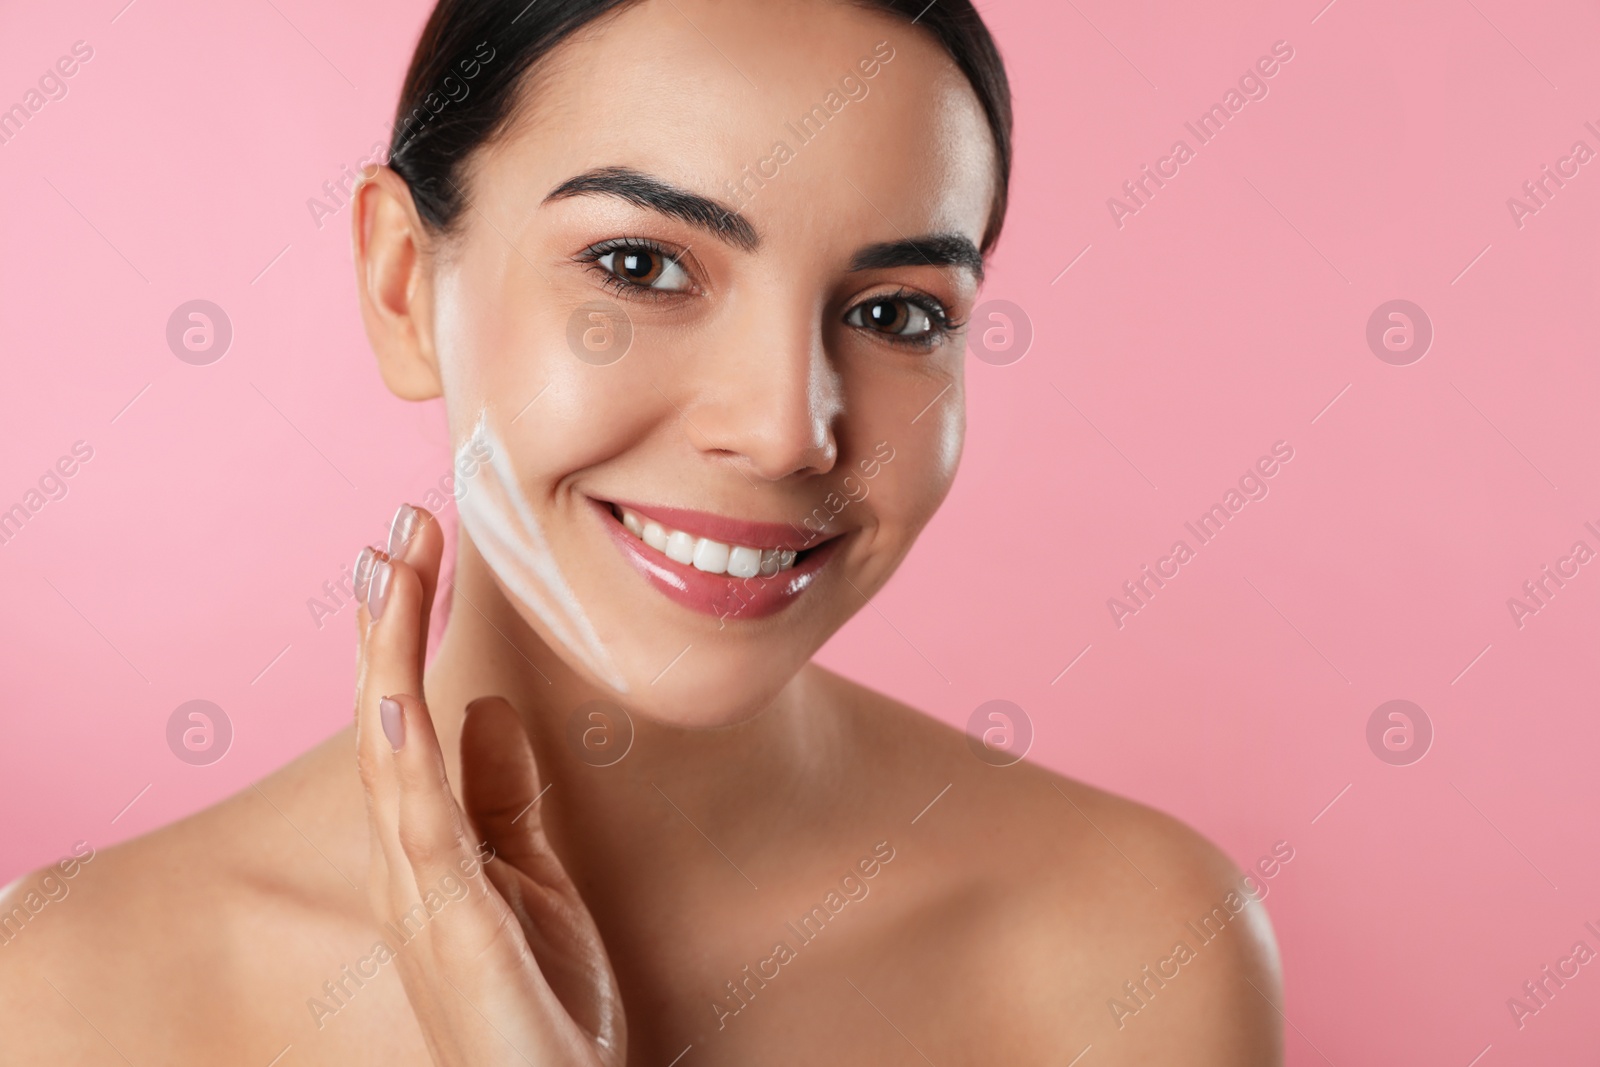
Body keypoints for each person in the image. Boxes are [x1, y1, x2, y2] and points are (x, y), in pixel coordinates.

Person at [0, 0, 1283, 1062]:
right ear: (403, 281)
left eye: (897, 314)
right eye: (640, 268)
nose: (787, 428)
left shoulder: (1134, 955)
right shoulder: (67, 995)